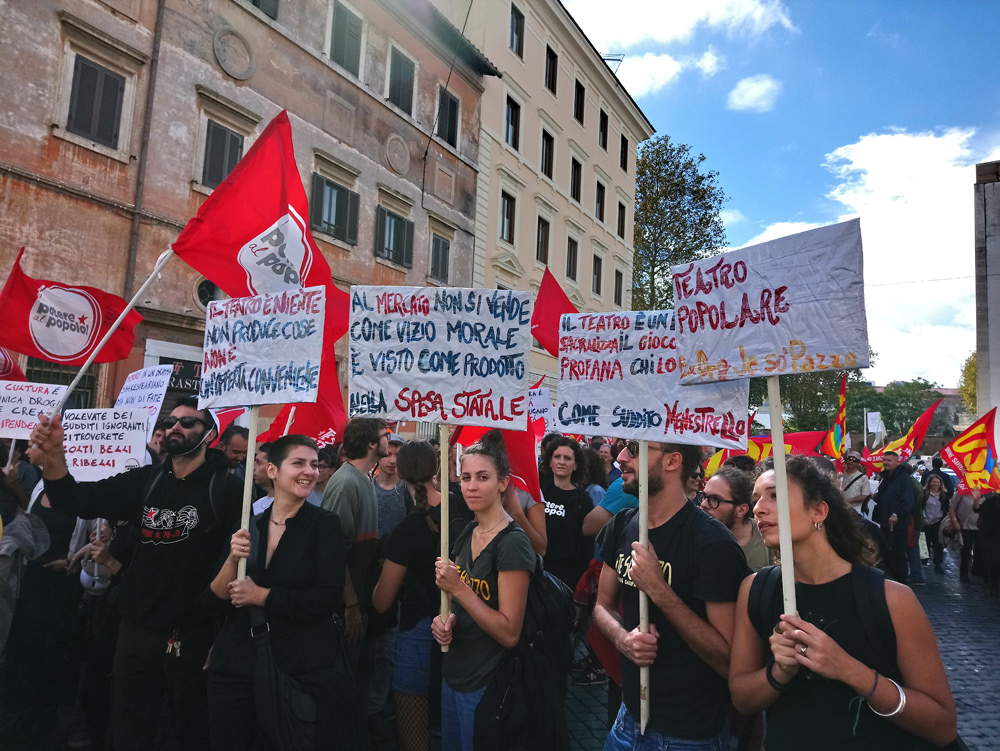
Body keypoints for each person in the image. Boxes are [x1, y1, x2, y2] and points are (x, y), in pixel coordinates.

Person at [28, 397, 243, 751]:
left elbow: (234, 566)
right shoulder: (146, 480)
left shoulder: (228, 490)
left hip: (193, 632)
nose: (176, 427)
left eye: (188, 423)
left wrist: (221, 635)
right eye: (171, 421)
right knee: (130, 723)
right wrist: (53, 457)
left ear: (210, 436)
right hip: (136, 627)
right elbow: (77, 499)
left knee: (185, 727)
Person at [728, 456, 957, 749]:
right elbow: (743, 699)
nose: (758, 508)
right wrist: (778, 672)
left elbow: (942, 726)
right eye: (756, 498)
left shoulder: (892, 600)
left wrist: (849, 669)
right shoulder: (756, 590)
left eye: (774, 495)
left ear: (818, 510)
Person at [595, 440, 750, 749]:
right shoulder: (623, 525)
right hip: (628, 719)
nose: (621, 457)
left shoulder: (712, 544)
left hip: (688, 733)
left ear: (672, 461)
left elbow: (727, 658)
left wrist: (659, 590)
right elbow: (602, 604)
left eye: (635, 449)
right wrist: (622, 638)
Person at [208, 435, 351, 750]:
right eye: (298, 463)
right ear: (272, 471)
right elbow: (219, 592)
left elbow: (326, 598)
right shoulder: (249, 524)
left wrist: (261, 596)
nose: (310, 471)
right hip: (238, 662)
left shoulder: (324, 525)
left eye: (314, 464)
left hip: (297, 667)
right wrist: (233, 558)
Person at [431, 431, 534, 751]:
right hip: (456, 672)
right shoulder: (466, 532)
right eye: (465, 477)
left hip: (488, 680)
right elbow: (463, 604)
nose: (471, 486)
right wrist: (444, 623)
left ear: (503, 483)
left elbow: (508, 632)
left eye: (482, 477)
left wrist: (459, 589)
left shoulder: (513, 543)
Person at [321, 417, 389, 742]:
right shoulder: (346, 482)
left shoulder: (364, 478)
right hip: (347, 604)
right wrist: (350, 603)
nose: (389, 438)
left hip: (361, 599)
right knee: (343, 683)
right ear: (372, 444)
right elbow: (335, 549)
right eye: (384, 434)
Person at [372, 441, 442, 751]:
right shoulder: (461, 510)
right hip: (464, 627)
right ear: (436, 468)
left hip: (417, 630)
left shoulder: (406, 531)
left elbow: (382, 601)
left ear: (400, 472)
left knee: (414, 730)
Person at [538, 437, 593, 590]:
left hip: (565, 578)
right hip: (535, 568)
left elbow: (584, 546)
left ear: (575, 465)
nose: (561, 462)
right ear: (550, 461)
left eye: (567, 458)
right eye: (557, 457)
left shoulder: (583, 500)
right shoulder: (538, 491)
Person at [700, 465, 770, 572]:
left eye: (714, 499)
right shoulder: (694, 537)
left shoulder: (768, 537)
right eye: (704, 496)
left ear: (741, 510)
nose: (703, 504)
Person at [872, 451, 914, 582]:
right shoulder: (885, 478)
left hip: (897, 524)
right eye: (884, 460)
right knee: (886, 553)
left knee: (898, 554)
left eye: (889, 460)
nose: (885, 462)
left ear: (897, 462)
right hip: (883, 522)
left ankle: (901, 582)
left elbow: (908, 501)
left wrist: (897, 514)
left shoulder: (904, 479)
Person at [375, 434, 411, 540]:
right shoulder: (367, 488)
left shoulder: (407, 489)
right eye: (388, 454)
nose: (393, 461)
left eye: (398, 455)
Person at [949, 490, 980, 582]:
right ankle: (964, 574)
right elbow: (952, 507)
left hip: (981, 526)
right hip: (965, 526)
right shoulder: (962, 491)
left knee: (979, 551)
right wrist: (954, 521)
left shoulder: (986, 492)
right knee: (966, 551)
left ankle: (977, 572)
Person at [974, 490, 1000, 596]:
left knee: (993, 561)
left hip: (989, 535)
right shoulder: (990, 499)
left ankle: (992, 585)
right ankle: (992, 585)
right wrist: (976, 500)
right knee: (993, 561)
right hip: (991, 536)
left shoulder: (990, 499)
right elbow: (977, 509)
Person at [922, 475, 949, 574]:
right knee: (925, 542)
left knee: (938, 544)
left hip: (938, 523)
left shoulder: (943, 495)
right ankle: (924, 561)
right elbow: (921, 507)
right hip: (926, 522)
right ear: (929, 483)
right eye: (934, 482)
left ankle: (938, 563)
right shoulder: (925, 493)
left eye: (938, 482)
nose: (936, 484)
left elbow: (946, 508)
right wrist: (924, 518)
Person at [841, 451, 873, 519]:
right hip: (840, 509)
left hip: (855, 511)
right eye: (849, 459)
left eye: (854, 460)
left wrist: (849, 500)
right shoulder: (840, 474)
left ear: (858, 463)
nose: (851, 461)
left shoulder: (863, 478)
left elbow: (865, 495)